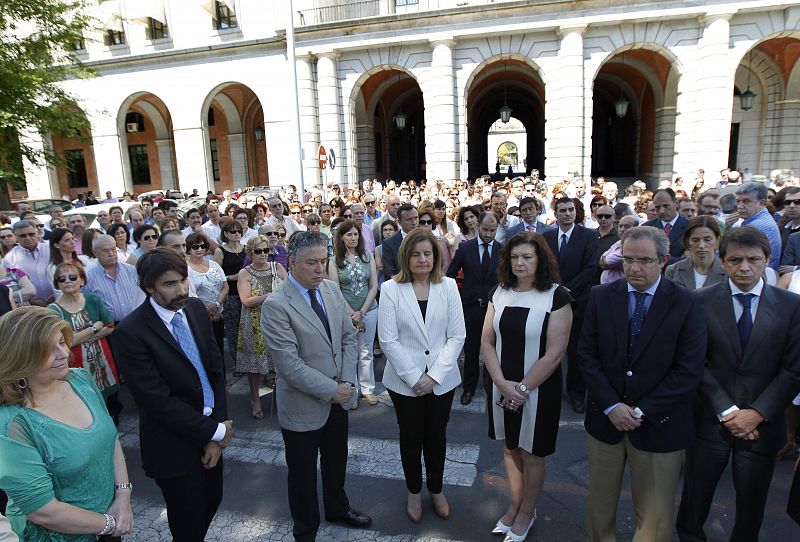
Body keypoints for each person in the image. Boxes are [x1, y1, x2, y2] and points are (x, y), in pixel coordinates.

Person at [579, 224, 707, 541]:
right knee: (599, 507)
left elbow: (688, 370)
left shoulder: (687, 302)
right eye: (628, 259)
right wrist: (612, 405)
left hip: (659, 425)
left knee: (655, 517)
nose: (634, 268)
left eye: (645, 260)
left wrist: (641, 411)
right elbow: (587, 356)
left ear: (663, 261)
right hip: (606, 421)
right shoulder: (600, 296)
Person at [676, 227, 800, 542]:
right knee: (695, 497)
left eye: (753, 259)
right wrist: (727, 410)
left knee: (752, 503)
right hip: (710, 420)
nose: (744, 267)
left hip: (762, 425)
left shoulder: (791, 306)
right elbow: (693, 362)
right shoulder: (698, 301)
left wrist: (757, 413)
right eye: (735, 260)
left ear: (767, 260)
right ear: (723, 261)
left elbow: (794, 369)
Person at [112, 248, 233, 541]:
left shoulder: (195, 309)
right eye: (169, 284)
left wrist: (216, 431)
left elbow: (215, 371)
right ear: (148, 287)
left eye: (183, 280)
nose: (181, 290)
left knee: (212, 500)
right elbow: (157, 402)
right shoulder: (130, 333)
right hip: (172, 444)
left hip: (209, 431)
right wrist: (216, 432)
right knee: (188, 521)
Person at [262, 231, 370, 541]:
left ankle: (338, 508)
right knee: (303, 475)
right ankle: (306, 530)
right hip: (303, 406)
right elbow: (289, 365)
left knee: (336, 462)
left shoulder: (331, 290)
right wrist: (332, 390)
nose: (320, 269)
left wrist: (346, 382)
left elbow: (348, 336)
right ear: (292, 263)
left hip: (339, 396)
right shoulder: (276, 305)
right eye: (312, 263)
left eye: (323, 261)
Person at [0, 307, 133, 540]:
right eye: (48, 349)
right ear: (20, 357)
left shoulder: (80, 379)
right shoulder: (13, 423)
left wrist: (123, 496)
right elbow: (43, 511)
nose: (63, 353)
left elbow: (110, 438)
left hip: (109, 523)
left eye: (62, 342)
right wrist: (110, 524)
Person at [480, 232, 573, 541]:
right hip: (502, 385)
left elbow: (555, 353)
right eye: (514, 257)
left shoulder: (557, 296)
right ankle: (515, 505)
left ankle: (527, 512)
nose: (520, 263)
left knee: (531, 452)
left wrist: (520, 390)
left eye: (527, 257)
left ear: (540, 260)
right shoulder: (499, 292)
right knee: (510, 448)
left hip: (537, 389)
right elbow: (486, 342)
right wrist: (501, 384)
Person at [379, 228, 466, 523]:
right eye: (416, 254)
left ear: (436, 256)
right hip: (404, 382)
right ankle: (414, 491)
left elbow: (457, 336)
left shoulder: (449, 286)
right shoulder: (390, 289)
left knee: (436, 436)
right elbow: (388, 340)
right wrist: (415, 378)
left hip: (442, 379)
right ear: (406, 257)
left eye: (428, 253)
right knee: (411, 436)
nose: (422, 259)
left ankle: (437, 489)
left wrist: (434, 376)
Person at [543, 197, 599, 414]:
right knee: (549, 349)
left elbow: (591, 268)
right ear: (555, 214)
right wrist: (555, 289)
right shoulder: (547, 237)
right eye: (563, 210)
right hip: (550, 301)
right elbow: (543, 266)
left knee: (576, 351)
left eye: (571, 210)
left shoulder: (588, 236)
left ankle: (577, 393)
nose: (567, 214)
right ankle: (549, 389)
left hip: (579, 302)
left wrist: (566, 290)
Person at [446, 211, 501, 405]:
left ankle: (490, 387)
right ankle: (468, 388)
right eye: (485, 229)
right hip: (470, 307)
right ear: (478, 226)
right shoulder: (465, 248)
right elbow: (450, 275)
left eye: (492, 230)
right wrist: (459, 297)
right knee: (471, 349)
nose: (488, 234)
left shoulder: (502, 250)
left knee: (493, 349)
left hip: (494, 308)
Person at [47, 261, 119, 405]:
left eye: (72, 277)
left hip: (103, 361)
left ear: (82, 280)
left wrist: (77, 337)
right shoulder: (53, 310)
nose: (67, 281)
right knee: (85, 400)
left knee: (112, 402)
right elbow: (66, 342)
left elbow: (110, 327)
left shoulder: (93, 299)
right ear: (57, 284)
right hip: (76, 365)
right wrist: (94, 328)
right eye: (61, 279)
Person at [327, 220, 379, 407]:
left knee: (366, 351)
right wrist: (352, 314)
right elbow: (336, 290)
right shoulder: (334, 261)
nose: (353, 238)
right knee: (350, 352)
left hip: (369, 310)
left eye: (356, 234)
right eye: (349, 234)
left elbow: (373, 285)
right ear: (341, 237)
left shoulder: (367, 256)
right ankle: (352, 391)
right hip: (346, 313)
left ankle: (368, 389)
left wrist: (362, 311)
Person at [237, 235, 286, 418]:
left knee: (282, 360)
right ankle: (255, 399)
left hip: (278, 321)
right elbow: (246, 301)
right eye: (258, 251)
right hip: (254, 322)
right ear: (251, 253)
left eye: (266, 250)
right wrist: (271, 295)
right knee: (255, 365)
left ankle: (283, 397)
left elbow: (290, 289)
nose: (263, 254)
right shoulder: (245, 273)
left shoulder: (277, 267)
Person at [186, 232, 228, 362]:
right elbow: (189, 292)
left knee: (219, 347)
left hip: (218, 313)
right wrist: (208, 309)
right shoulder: (185, 268)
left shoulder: (214, 264)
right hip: (199, 314)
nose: (200, 249)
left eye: (203, 246)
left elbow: (225, 286)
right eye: (195, 247)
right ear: (188, 249)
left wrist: (216, 305)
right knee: (205, 349)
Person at [84, 235, 145, 323]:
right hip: (109, 327)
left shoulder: (130, 270)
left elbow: (141, 296)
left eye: (113, 249)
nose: (111, 254)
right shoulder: (88, 277)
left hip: (136, 321)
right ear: (95, 253)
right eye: (106, 251)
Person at [664, 215, 727, 290]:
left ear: (717, 240)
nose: (701, 245)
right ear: (688, 242)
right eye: (695, 240)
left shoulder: (728, 271)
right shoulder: (673, 271)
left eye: (707, 240)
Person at [214, 219, 246, 363]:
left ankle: (249, 360)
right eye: (233, 231)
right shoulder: (220, 251)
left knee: (247, 329)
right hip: (231, 295)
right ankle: (237, 361)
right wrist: (233, 277)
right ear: (225, 234)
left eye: (239, 231)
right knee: (233, 330)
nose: (237, 233)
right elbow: (216, 276)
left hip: (246, 293)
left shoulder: (245, 248)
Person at [732, 182, 782, 270]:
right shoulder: (760, 220)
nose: (740, 206)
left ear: (762, 203)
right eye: (738, 201)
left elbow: (732, 255)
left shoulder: (757, 226)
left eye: (746, 201)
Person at [1, 220, 52, 306]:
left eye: (31, 234)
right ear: (15, 236)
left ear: (37, 232)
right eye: (23, 236)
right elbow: (8, 284)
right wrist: (31, 301)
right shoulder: (9, 258)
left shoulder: (51, 250)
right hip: (30, 305)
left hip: (58, 300)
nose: (28, 238)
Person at [381, 203, 419, 281]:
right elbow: (389, 273)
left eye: (416, 218)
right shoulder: (389, 243)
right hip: (400, 284)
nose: (414, 222)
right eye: (409, 219)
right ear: (399, 222)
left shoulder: (426, 239)